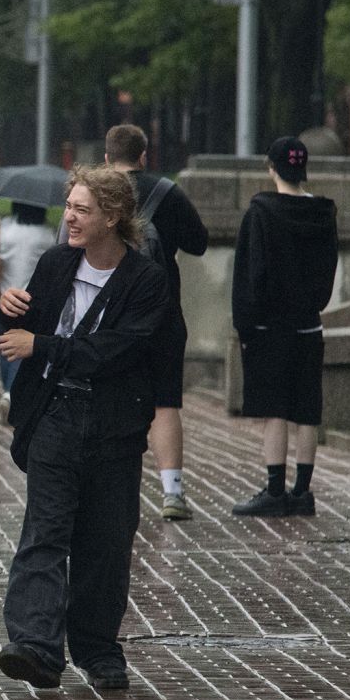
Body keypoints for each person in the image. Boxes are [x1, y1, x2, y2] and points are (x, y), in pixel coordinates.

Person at [0, 166, 168, 690]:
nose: (68, 217)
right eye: (68, 206)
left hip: (114, 425)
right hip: (56, 415)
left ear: (112, 217)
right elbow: (25, 331)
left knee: (106, 539)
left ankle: (97, 649)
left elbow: (117, 350)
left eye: (81, 210)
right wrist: (9, 312)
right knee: (45, 531)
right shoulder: (55, 264)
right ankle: (36, 646)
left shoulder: (145, 280)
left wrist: (40, 346)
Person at [104, 125, 208, 521]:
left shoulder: (96, 195)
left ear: (108, 158)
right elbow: (199, 242)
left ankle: (114, 490)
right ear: (144, 156)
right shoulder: (167, 192)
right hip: (163, 312)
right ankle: (173, 493)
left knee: (112, 397)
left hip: (109, 316)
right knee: (165, 402)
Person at [230, 137, 338, 517]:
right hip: (309, 325)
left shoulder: (261, 213)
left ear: (270, 167)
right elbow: (328, 271)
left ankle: (275, 490)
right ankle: (302, 492)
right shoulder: (324, 214)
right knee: (306, 409)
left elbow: (250, 273)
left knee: (274, 408)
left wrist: (246, 324)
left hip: (269, 326)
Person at [0, 200, 53, 405]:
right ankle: (11, 392)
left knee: (4, 347)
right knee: (20, 346)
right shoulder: (48, 234)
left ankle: (8, 389)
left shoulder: (0, 226)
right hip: (30, 303)